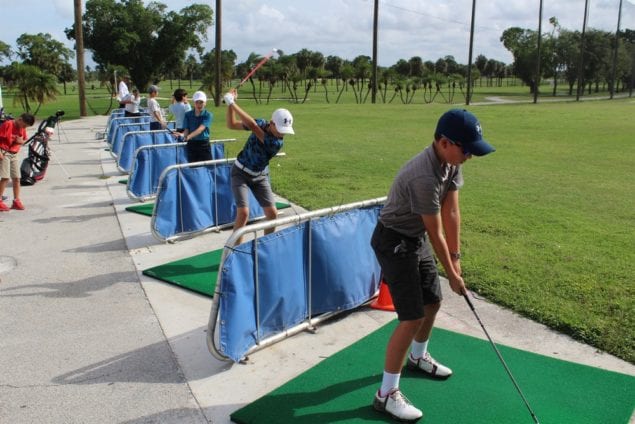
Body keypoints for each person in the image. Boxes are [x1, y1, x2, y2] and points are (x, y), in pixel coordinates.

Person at [370, 109, 495, 422]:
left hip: (415, 237)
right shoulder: (424, 174)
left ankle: (418, 355)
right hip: (394, 240)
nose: (470, 155)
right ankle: (385, 395)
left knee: (433, 301)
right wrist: (452, 275)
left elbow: (451, 212)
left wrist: (456, 259)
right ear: (443, 142)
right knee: (411, 317)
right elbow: (435, 229)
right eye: (466, 149)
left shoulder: (451, 163)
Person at [223, 89, 294, 245]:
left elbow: (254, 127)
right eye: (281, 130)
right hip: (240, 173)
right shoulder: (263, 123)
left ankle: (264, 246)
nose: (282, 134)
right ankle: (235, 251)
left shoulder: (276, 143)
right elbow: (231, 124)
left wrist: (232, 102)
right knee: (243, 213)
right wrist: (230, 104)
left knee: (272, 214)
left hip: (259, 176)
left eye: (285, 132)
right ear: (272, 123)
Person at [0, 113, 36, 211]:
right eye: (24, 125)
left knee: (16, 178)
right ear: (20, 119)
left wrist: (21, 142)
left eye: (26, 127)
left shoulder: (22, 128)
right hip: (4, 152)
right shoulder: (8, 124)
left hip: (14, 153)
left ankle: (16, 200)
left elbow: (23, 139)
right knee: (5, 177)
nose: (24, 128)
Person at [181, 91, 213, 163]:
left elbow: (200, 129)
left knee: (208, 168)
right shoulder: (187, 114)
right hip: (191, 144)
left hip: (204, 144)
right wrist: (183, 136)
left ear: (205, 103)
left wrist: (188, 137)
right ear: (194, 103)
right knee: (193, 168)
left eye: (201, 102)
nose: (199, 104)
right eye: (197, 102)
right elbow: (186, 129)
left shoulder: (208, 115)